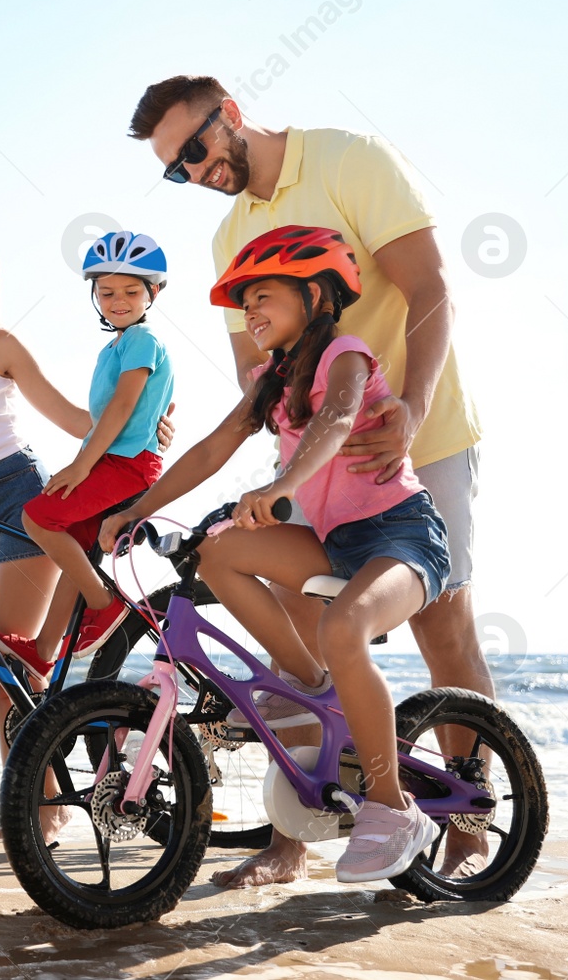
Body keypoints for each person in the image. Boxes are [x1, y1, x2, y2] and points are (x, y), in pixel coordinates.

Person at [128, 74, 490, 885]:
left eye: (196, 148)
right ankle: (298, 828)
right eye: (173, 169)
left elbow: (430, 288)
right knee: (286, 622)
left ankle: (466, 818)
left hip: (411, 432)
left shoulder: (347, 161)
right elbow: (253, 391)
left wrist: (416, 405)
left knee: (443, 627)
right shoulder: (231, 238)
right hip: (315, 464)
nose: (192, 171)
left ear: (231, 113)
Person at [101, 226, 453, 883]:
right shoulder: (272, 379)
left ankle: (391, 805)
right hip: (335, 542)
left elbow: (340, 418)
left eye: (262, 296)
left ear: (314, 294)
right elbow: (210, 447)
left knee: (344, 626)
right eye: (246, 303)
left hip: (401, 536)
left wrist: (283, 484)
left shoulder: (343, 354)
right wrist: (136, 508)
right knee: (219, 550)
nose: (251, 313)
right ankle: (306, 683)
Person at [0, 230, 173, 842]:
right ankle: (32, 804)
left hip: (17, 491)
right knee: (0, 665)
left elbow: (70, 416)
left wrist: (142, 428)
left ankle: (38, 813)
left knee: (16, 659)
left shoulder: (2, 344)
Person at [0, 232, 174, 678]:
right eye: (107, 291)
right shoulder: (114, 346)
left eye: (131, 291)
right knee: (74, 546)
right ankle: (45, 649)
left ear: (153, 292)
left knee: (38, 518)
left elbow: (122, 408)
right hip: (116, 461)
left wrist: (81, 465)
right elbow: (108, 417)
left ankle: (103, 603)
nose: (118, 300)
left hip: (126, 465)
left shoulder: (142, 341)